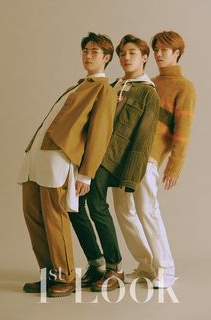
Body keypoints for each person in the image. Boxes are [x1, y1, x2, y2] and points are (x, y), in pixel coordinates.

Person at [17, 32, 117, 297]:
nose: (88, 55)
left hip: (58, 161)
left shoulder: (103, 91)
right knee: (33, 216)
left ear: (106, 58)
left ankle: (65, 277)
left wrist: (86, 174)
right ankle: (49, 275)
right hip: (37, 156)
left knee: (55, 218)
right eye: (85, 50)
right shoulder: (77, 86)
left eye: (94, 52)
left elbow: (99, 134)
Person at [69, 34, 160, 292]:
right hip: (93, 156)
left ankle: (114, 267)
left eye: (132, 53)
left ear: (144, 58)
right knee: (74, 205)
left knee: (96, 205)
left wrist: (131, 177)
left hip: (113, 160)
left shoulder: (148, 93)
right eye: (123, 54)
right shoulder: (114, 86)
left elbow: (143, 140)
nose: (126, 58)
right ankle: (96, 263)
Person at [112, 31, 196, 288]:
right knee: (124, 211)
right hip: (122, 156)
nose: (159, 54)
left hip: (148, 157)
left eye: (165, 50)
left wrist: (174, 165)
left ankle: (165, 269)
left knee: (147, 211)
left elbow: (183, 132)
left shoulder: (185, 87)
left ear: (177, 53)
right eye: (156, 49)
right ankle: (146, 265)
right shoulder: (147, 82)